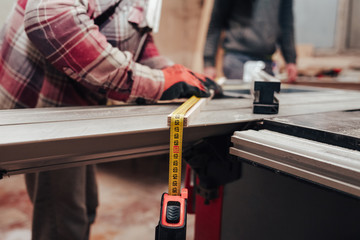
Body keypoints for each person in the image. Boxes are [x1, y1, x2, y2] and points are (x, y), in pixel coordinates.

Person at [0, 0, 221, 239]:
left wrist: (174, 73)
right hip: (43, 106)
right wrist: (154, 82)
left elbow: (139, 42)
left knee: (85, 206)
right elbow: (49, 15)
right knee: (63, 219)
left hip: (75, 108)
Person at [203, 0, 297, 82]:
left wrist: (290, 60)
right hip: (237, 60)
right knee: (239, 101)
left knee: (266, 99)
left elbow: (286, 24)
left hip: (267, 61)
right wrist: (209, 63)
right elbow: (215, 24)